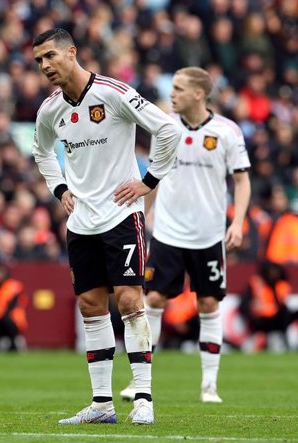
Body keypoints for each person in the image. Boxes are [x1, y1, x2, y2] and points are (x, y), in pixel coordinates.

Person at [31, 28, 181, 425]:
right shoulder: (50, 110)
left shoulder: (113, 93)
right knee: (90, 305)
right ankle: (101, 405)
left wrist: (149, 182)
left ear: (72, 53)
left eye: (49, 56)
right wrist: (59, 186)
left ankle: (144, 399)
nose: (45, 66)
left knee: (130, 300)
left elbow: (167, 129)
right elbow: (41, 152)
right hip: (81, 222)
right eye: (38, 61)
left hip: (120, 215)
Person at [120, 67, 251, 404]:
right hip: (168, 232)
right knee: (155, 300)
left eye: (178, 88)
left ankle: (209, 385)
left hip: (208, 235)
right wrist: (145, 212)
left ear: (198, 94)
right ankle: (140, 381)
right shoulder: (165, 127)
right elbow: (154, 175)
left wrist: (237, 223)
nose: (172, 94)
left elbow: (241, 180)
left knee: (208, 303)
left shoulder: (227, 132)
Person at [239, 261, 298, 352]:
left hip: (279, 318)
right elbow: (244, 304)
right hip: (261, 320)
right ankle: (277, 342)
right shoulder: (256, 283)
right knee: (283, 314)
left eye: (276, 271)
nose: (274, 274)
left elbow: (281, 304)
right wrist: (251, 316)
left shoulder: (281, 284)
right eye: (272, 271)